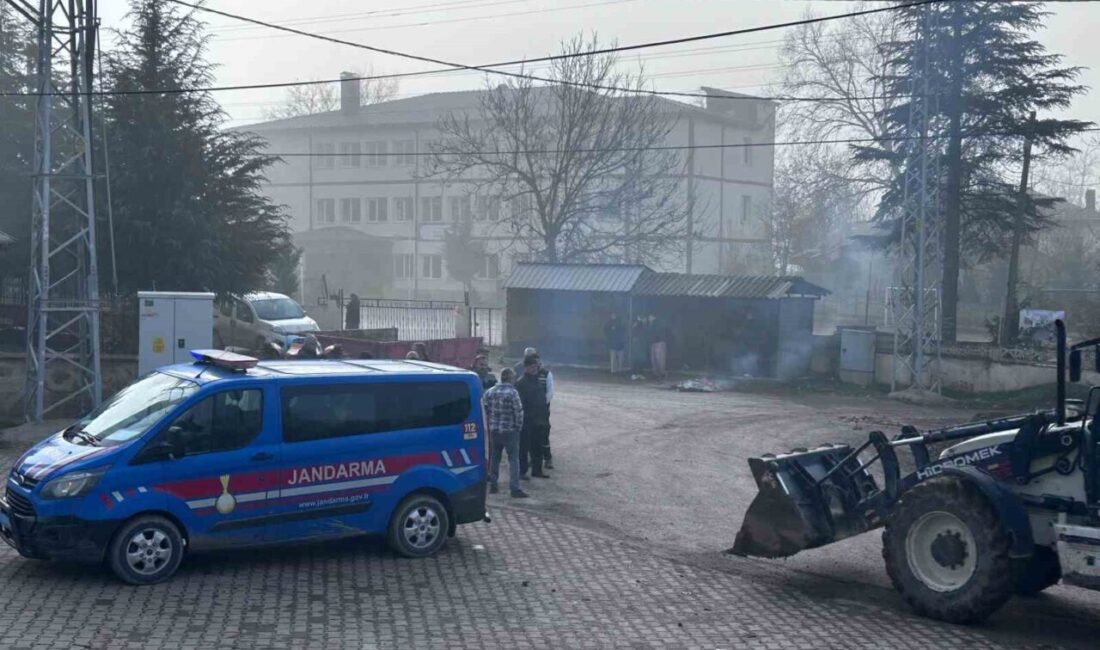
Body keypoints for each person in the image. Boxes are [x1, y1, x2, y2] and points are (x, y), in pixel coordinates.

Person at [482, 368, 528, 498]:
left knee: (495, 458)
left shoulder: (490, 392)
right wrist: (518, 427)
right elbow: (518, 412)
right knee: (513, 459)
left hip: (494, 430)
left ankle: (493, 485)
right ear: (511, 378)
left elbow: (485, 410)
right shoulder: (513, 393)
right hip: (510, 430)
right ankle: (514, 488)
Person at [513, 347, 555, 470]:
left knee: (544, 434)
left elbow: (549, 392)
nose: (534, 365)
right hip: (528, 412)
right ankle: (532, 461)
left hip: (542, 410)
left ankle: (547, 458)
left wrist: (541, 404)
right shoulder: (520, 371)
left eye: (535, 359)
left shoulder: (546, 374)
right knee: (529, 437)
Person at [649, 313, 669, 379]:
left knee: (659, 359)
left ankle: (662, 373)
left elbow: (658, 332)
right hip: (654, 342)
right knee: (654, 359)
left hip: (659, 342)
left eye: (649, 317)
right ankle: (657, 374)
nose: (648, 318)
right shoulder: (652, 324)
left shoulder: (658, 323)